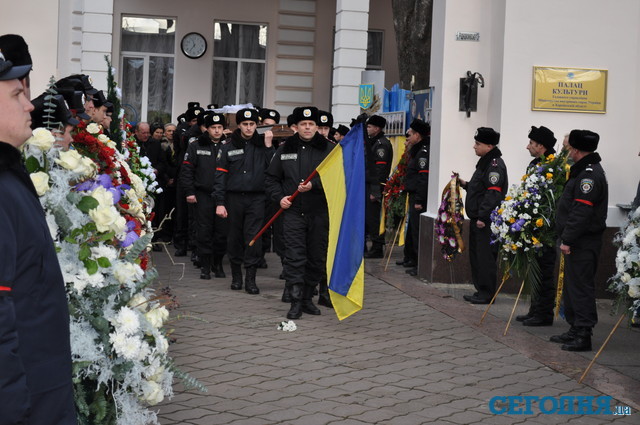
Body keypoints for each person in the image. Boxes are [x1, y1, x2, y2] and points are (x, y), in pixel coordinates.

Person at [0, 53, 78, 425]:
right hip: (26, 399)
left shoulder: (7, 174)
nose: (30, 104)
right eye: (16, 95)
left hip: (40, 388)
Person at [265, 106, 333, 319]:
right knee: (294, 257)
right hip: (293, 213)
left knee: (316, 258)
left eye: (311, 124)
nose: (307, 127)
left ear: (316, 127)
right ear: (295, 127)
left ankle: (306, 300)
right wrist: (280, 198)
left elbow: (338, 178)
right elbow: (271, 179)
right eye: (303, 124)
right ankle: (294, 302)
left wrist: (315, 185)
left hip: (319, 212)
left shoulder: (329, 150)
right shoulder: (284, 149)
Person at [550, 130, 608, 352]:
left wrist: (568, 238)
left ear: (575, 150)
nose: (568, 153)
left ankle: (583, 333)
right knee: (572, 287)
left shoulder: (589, 175)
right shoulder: (584, 171)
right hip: (577, 241)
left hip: (582, 242)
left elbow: (581, 211)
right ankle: (575, 328)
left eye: (569, 149)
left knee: (581, 287)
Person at [214, 108, 274, 294]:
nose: (249, 128)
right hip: (233, 198)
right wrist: (219, 202)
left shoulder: (264, 144)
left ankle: (250, 278)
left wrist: (269, 146)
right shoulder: (227, 146)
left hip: (257, 198)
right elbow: (219, 176)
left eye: (252, 124)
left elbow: (273, 169)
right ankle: (236, 276)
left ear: (257, 125)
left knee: (253, 238)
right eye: (245, 124)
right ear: (238, 125)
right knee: (234, 238)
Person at [515, 126, 558, 326]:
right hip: (533, 228)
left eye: (531, 143)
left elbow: (553, 199)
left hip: (546, 230)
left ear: (541, 146)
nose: (527, 147)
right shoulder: (535, 163)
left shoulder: (555, 166)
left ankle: (544, 313)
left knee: (545, 272)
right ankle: (535, 310)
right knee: (535, 269)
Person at [459, 127, 508, 304]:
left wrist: (482, 216)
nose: (474, 147)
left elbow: (493, 194)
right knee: (477, 256)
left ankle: (487, 293)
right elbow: (480, 187)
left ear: (489, 146)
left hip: (485, 222)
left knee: (485, 257)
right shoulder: (485, 162)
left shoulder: (494, 164)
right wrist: (465, 184)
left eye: (477, 144)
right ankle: (481, 291)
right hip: (478, 219)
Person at [182, 113, 228, 279]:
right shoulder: (196, 145)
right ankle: (205, 265)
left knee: (221, 232)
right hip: (203, 194)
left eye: (219, 128)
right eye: (213, 128)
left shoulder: (228, 145)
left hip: (223, 196)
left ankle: (218, 264)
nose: (216, 131)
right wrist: (190, 192)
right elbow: (187, 170)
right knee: (204, 231)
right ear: (207, 129)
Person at [400, 120, 431, 275]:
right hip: (412, 195)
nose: (409, 136)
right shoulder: (416, 150)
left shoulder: (423, 152)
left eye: (410, 134)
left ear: (417, 135)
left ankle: (419, 265)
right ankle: (411, 258)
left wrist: (419, 200)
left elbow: (423, 178)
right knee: (412, 229)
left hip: (418, 198)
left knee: (417, 231)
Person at [363, 115, 393, 259]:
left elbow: (379, 171)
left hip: (375, 187)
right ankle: (374, 245)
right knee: (369, 217)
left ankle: (377, 247)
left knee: (374, 218)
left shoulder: (381, 144)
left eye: (369, 127)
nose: (367, 129)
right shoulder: (373, 142)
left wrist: (375, 191)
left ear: (377, 128)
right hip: (369, 185)